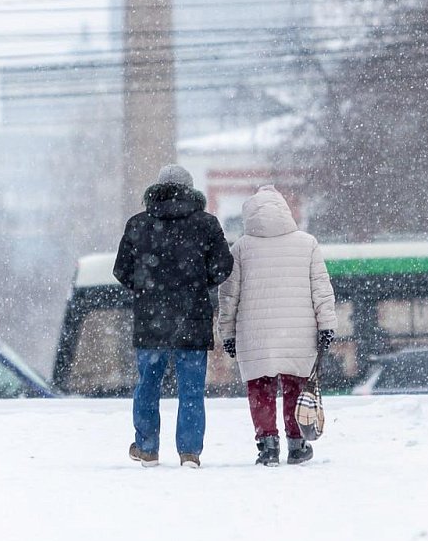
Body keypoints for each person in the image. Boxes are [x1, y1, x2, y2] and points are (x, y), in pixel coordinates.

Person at [113, 165, 233, 469]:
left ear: (157, 188)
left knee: (147, 385)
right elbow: (222, 267)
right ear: (191, 190)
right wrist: (196, 284)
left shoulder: (138, 224)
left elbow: (121, 270)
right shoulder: (206, 224)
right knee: (191, 388)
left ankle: (147, 447)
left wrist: (147, 289)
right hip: (192, 317)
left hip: (151, 318)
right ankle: (190, 452)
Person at [218, 185, 337, 466]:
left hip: (255, 335)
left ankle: (268, 445)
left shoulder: (240, 249)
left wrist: (228, 332)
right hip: (299, 333)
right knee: (296, 386)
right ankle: (297, 445)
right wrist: (326, 326)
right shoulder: (307, 243)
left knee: (260, 389)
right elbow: (321, 289)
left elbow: (229, 295)